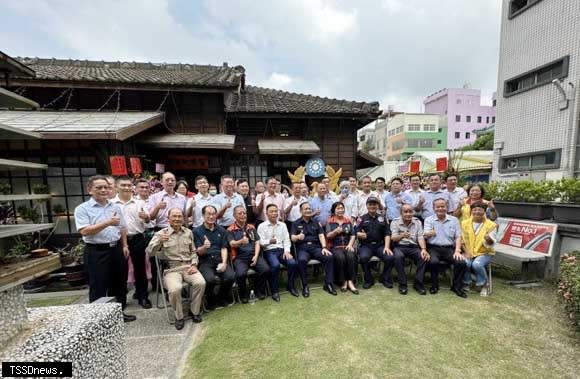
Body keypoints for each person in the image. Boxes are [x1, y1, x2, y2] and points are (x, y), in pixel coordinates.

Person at [74, 175, 136, 322]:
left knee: (119, 283)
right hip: (96, 251)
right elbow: (84, 231)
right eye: (99, 187)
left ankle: (118, 314)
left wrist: (125, 245)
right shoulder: (82, 209)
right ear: (89, 190)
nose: (103, 190)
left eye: (106, 187)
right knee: (98, 285)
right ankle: (98, 319)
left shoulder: (115, 207)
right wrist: (107, 222)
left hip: (116, 249)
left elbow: (122, 228)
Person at [146, 208, 205, 329]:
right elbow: (150, 252)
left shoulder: (188, 232)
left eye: (179, 216)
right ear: (168, 219)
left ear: (183, 219)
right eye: (174, 216)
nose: (177, 219)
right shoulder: (161, 234)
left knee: (200, 282)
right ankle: (179, 316)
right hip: (171, 269)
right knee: (175, 289)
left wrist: (194, 264)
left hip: (188, 266)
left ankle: (194, 311)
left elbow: (193, 252)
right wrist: (159, 242)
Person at [112, 176, 152, 309]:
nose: (127, 188)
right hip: (118, 241)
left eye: (129, 185)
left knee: (140, 270)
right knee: (120, 271)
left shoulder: (139, 203)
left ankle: (143, 296)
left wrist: (146, 217)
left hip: (137, 238)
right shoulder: (111, 204)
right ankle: (121, 301)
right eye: (123, 185)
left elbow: (148, 221)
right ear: (117, 187)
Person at [193, 205, 235, 309]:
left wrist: (224, 263)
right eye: (208, 214)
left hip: (219, 260)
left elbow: (224, 248)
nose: (211, 217)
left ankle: (222, 297)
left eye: (213, 214)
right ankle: (210, 299)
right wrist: (204, 247)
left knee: (231, 277)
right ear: (203, 215)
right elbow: (198, 252)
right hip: (205, 261)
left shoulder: (221, 230)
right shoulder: (196, 231)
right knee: (209, 280)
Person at [424, 198, 467, 298]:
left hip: (449, 248)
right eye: (437, 207)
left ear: (447, 207)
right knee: (433, 262)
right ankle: (434, 285)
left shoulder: (454, 220)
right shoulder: (429, 220)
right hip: (433, 247)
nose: (440, 208)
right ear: (433, 208)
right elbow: (425, 235)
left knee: (461, 263)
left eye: (443, 206)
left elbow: (458, 237)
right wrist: (429, 233)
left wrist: (457, 251)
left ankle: (456, 286)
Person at [292, 202, 336, 296]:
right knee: (301, 260)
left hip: (316, 247)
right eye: (305, 209)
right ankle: (305, 286)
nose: (308, 210)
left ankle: (328, 284)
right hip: (303, 248)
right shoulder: (296, 223)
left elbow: (321, 235)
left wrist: (324, 247)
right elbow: (292, 238)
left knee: (329, 256)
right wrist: (297, 237)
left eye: (309, 209)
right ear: (301, 211)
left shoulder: (316, 222)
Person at [228, 206, 270, 303]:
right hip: (239, 258)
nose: (243, 215)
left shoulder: (251, 227)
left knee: (265, 269)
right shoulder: (230, 229)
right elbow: (232, 243)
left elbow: (257, 242)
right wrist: (241, 242)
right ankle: (243, 294)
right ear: (234, 216)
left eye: (244, 213)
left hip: (253, 255)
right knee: (240, 274)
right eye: (240, 213)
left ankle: (259, 290)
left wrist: (256, 255)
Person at [258, 204, 299, 300]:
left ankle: (290, 286)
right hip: (269, 251)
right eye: (271, 211)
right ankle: (274, 291)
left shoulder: (283, 225)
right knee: (275, 265)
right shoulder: (262, 226)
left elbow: (286, 240)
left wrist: (287, 251)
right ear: (266, 213)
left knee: (292, 263)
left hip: (281, 250)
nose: (274, 213)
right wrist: (269, 241)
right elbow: (260, 242)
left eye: (276, 211)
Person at [389, 204, 430, 295]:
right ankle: (403, 284)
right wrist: (402, 235)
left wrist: (423, 249)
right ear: (401, 213)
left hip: (413, 247)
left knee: (423, 257)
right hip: (399, 246)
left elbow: (420, 237)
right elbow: (393, 238)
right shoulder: (395, 222)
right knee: (398, 257)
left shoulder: (417, 222)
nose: (408, 214)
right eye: (405, 212)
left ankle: (418, 284)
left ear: (413, 212)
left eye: (410, 211)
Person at [356, 196, 394, 289]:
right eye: (370, 204)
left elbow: (387, 233)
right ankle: (369, 279)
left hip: (380, 245)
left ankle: (384, 278)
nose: (372, 206)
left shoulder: (383, 218)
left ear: (378, 206)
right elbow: (354, 232)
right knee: (363, 258)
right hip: (366, 246)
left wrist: (387, 247)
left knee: (390, 257)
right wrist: (360, 234)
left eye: (374, 204)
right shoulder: (361, 218)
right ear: (367, 206)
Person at [461, 203, 497, 296]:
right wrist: (466, 252)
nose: (477, 212)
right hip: (468, 251)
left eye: (480, 210)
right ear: (471, 211)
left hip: (484, 252)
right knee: (465, 263)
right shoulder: (465, 223)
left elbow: (491, 243)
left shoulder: (491, 225)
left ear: (484, 212)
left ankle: (484, 285)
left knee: (477, 264)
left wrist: (488, 239)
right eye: (474, 210)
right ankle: (467, 283)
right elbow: (462, 240)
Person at [326, 202, 358, 294]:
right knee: (341, 258)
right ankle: (343, 281)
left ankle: (351, 281)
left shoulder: (348, 221)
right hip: (336, 247)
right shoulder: (330, 221)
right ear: (334, 210)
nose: (340, 210)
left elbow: (353, 235)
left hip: (347, 246)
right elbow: (328, 236)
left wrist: (350, 245)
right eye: (338, 208)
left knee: (351, 256)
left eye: (342, 208)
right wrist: (335, 231)